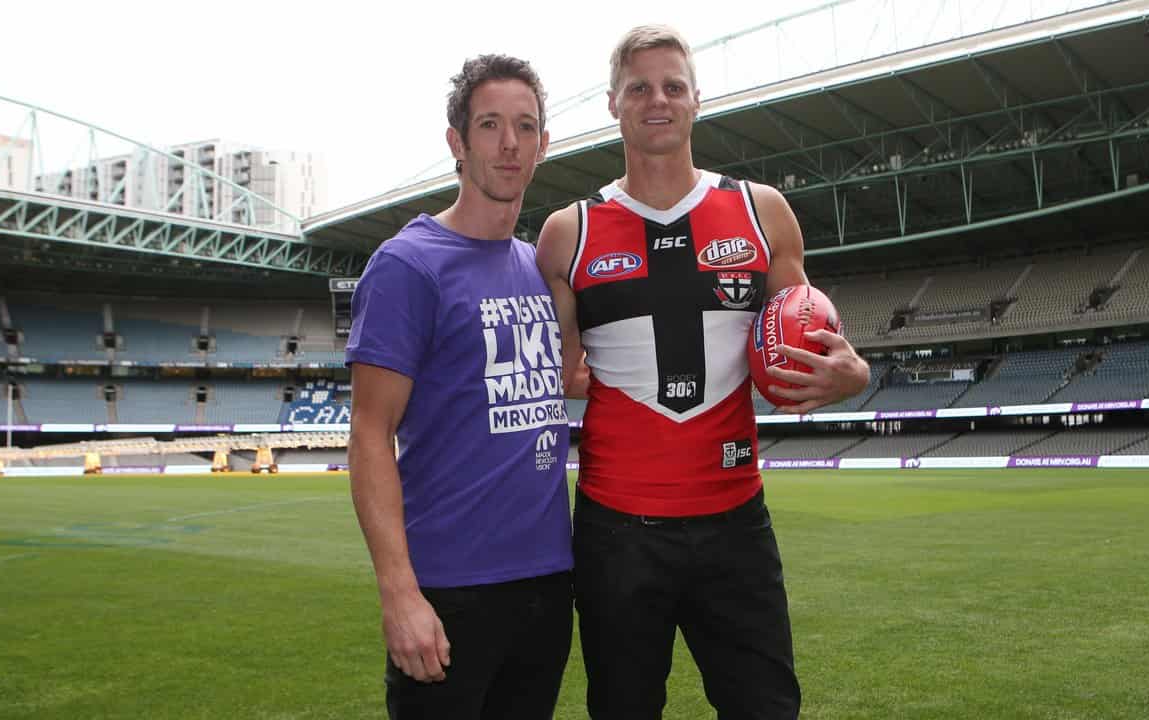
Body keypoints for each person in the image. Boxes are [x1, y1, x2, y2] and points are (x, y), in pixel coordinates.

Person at [535, 25, 871, 719]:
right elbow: (560, 371)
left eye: (673, 86)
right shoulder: (569, 231)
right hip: (617, 531)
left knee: (767, 709)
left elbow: (809, 337)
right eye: (639, 88)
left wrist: (852, 373)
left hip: (734, 524)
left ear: (696, 101)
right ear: (612, 104)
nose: (657, 100)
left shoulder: (762, 211)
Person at [347, 54, 573, 720]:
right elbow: (368, 433)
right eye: (491, 125)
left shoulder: (542, 268)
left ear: (543, 146)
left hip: (547, 586)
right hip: (449, 592)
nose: (510, 143)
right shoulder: (407, 266)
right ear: (457, 142)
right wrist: (398, 594)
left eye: (526, 126)